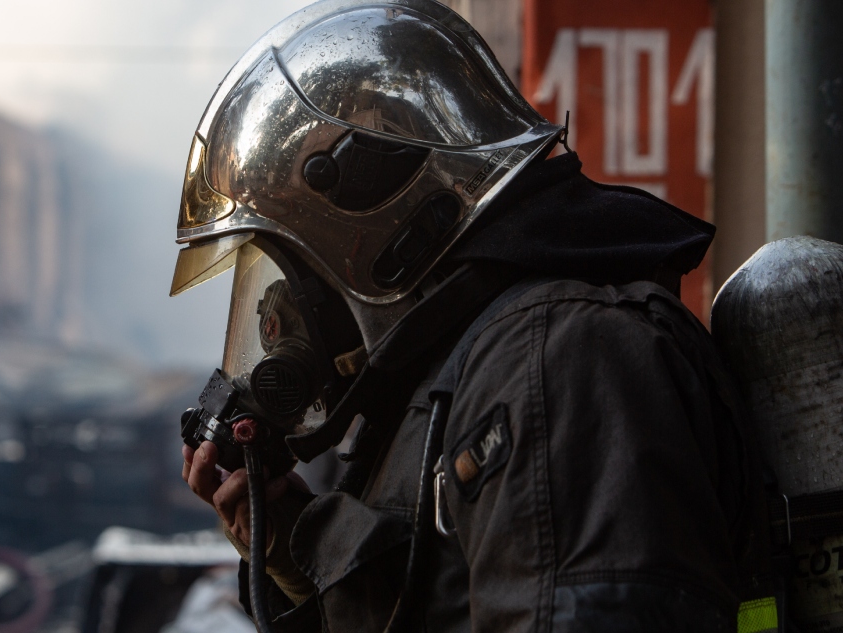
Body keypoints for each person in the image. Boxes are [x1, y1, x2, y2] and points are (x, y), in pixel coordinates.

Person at [171, 1, 774, 631]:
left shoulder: (553, 362)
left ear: (379, 228)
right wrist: (300, 559)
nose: (280, 317)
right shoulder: (464, 377)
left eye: (291, 272)